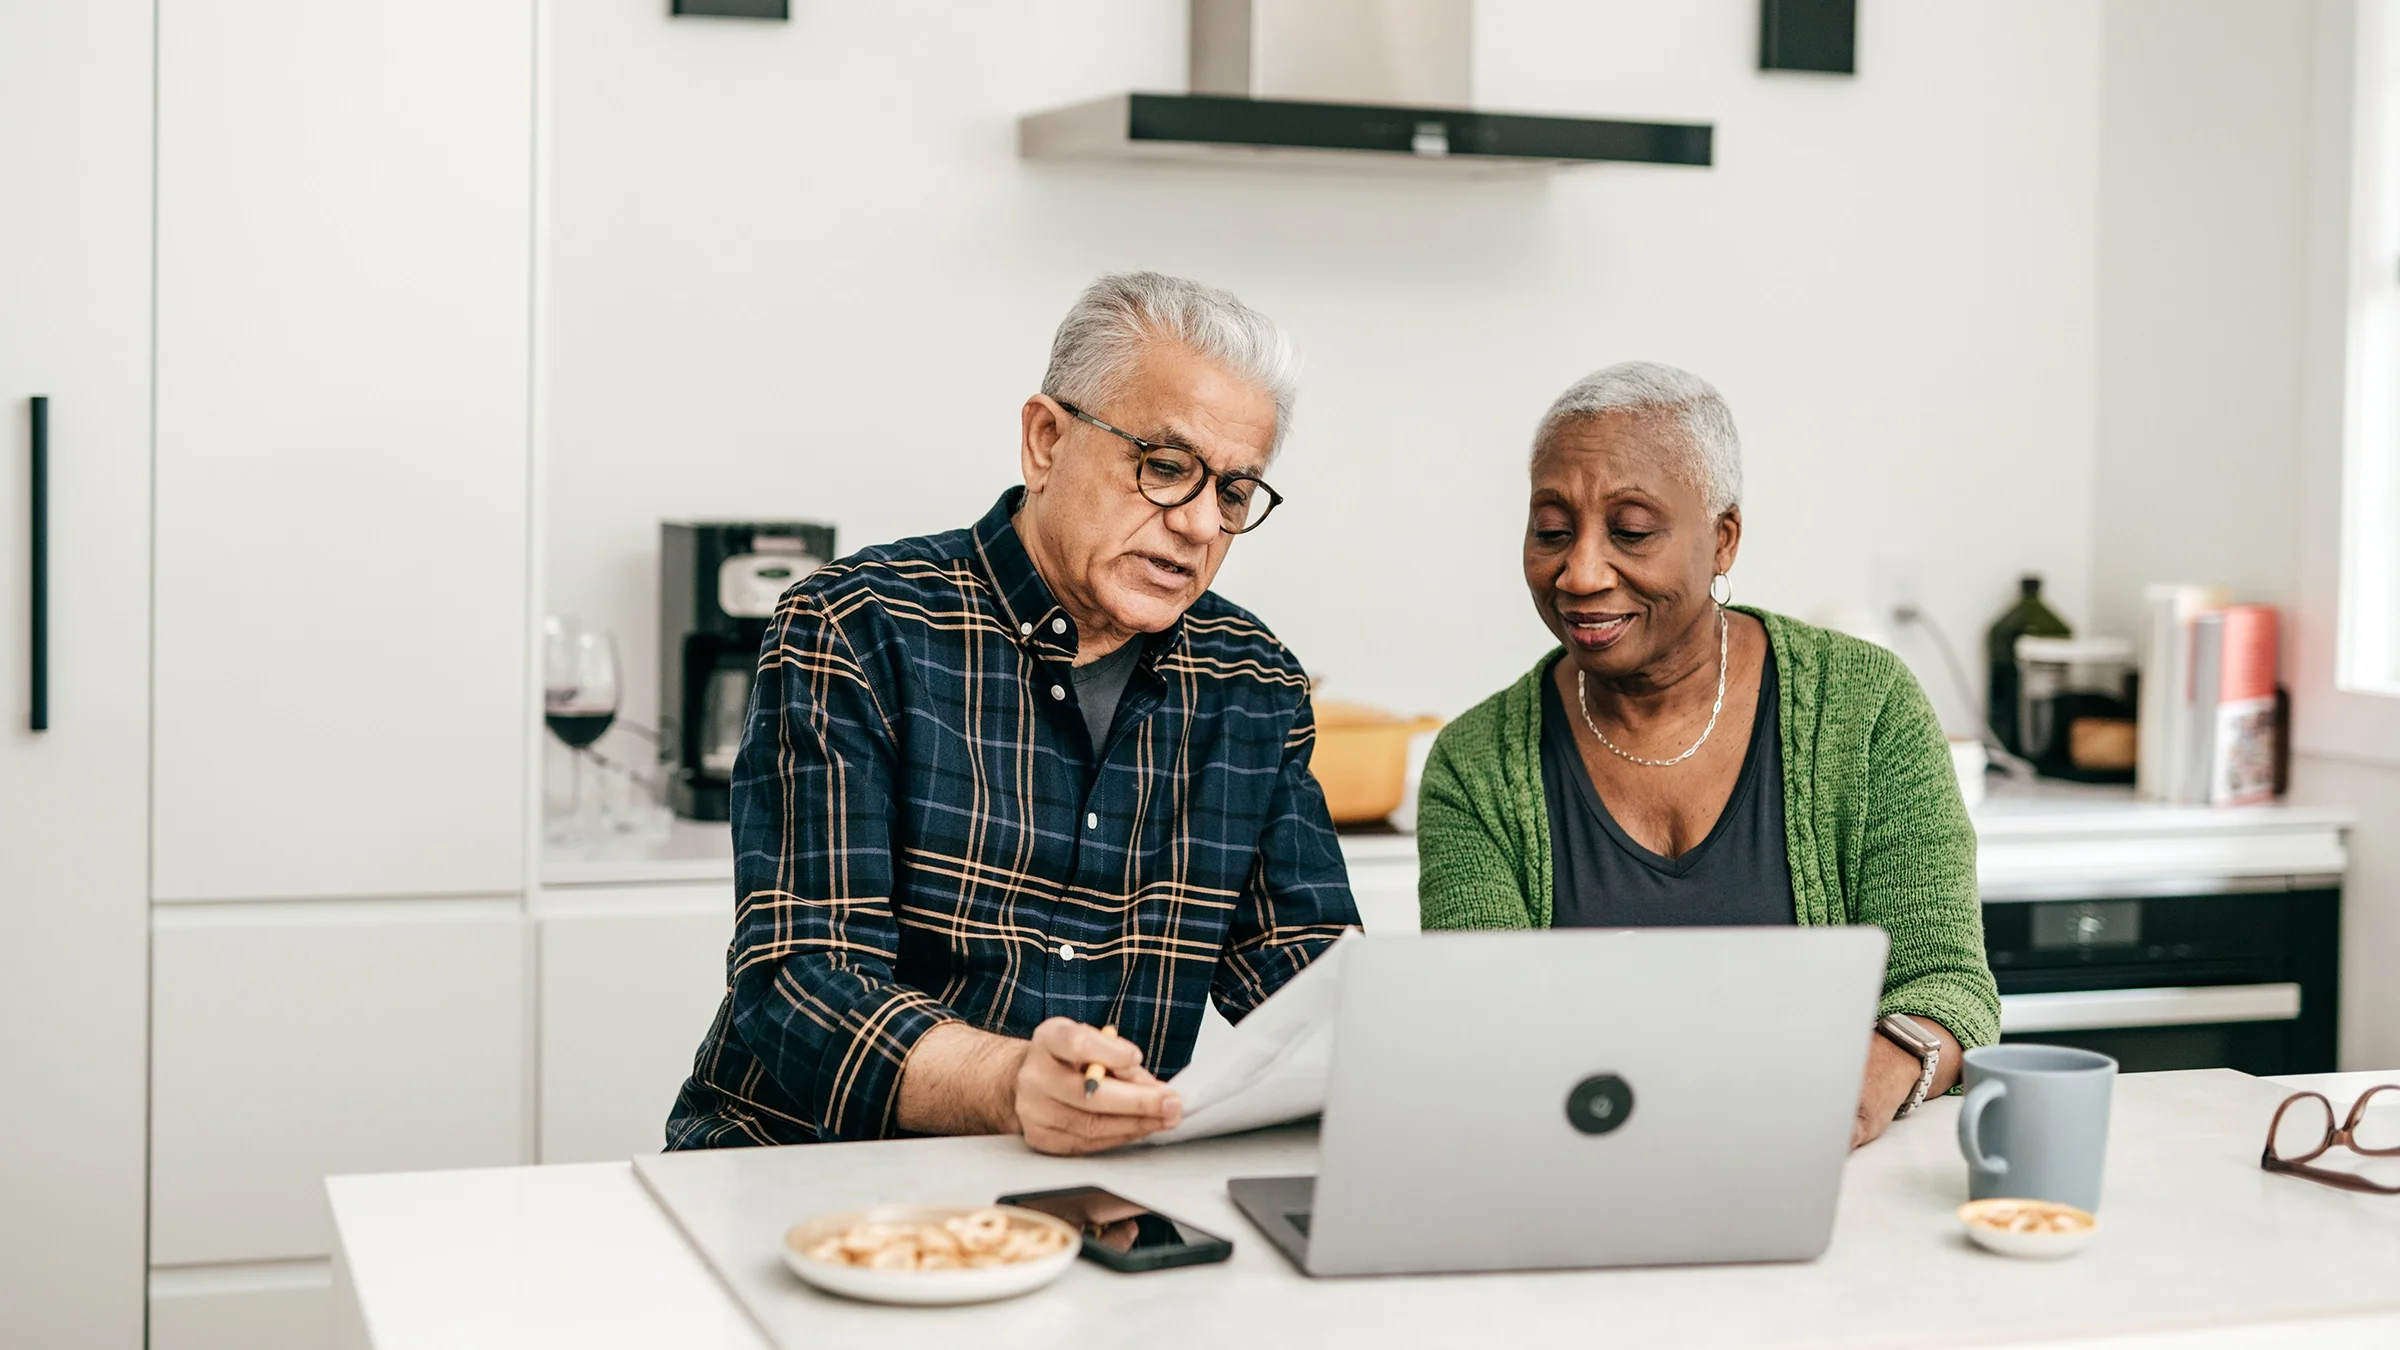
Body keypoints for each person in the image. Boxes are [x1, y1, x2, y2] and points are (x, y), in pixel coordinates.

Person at [667, 273, 1359, 1155]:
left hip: (1089, 1186)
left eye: (1233, 492)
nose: (1198, 524)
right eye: (1167, 467)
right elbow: (802, 984)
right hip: (800, 1165)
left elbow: (1314, 994)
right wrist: (1012, 1084)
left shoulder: (1253, 683)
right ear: (1045, 441)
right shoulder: (858, 627)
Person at [1416, 361, 2000, 1148]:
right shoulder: (1476, 765)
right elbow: (1484, 1025)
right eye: (1552, 532)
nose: (1580, 573)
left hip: (1828, 1175)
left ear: (1722, 539)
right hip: (1582, 1177)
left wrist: (1872, 1076)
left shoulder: (1865, 708)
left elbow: (1947, 983)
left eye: (1632, 531)